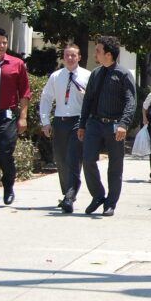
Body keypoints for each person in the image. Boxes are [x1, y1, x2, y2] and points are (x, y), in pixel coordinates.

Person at [78, 36, 136, 217]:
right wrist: (82, 125)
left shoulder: (123, 74)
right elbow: (87, 100)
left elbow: (131, 101)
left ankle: (110, 203)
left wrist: (123, 124)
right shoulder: (95, 73)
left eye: (98, 50)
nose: (96, 53)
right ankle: (98, 195)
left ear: (108, 55)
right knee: (87, 160)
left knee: (115, 166)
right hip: (94, 123)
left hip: (115, 126)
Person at [39, 44, 91, 212]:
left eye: (73, 55)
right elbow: (46, 98)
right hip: (60, 121)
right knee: (61, 159)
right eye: (67, 55)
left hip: (78, 121)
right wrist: (45, 121)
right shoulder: (56, 76)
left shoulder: (87, 76)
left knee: (73, 158)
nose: (70, 58)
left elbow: (92, 101)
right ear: (63, 57)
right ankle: (67, 192)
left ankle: (70, 196)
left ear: (79, 57)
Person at [0, 28, 31, 208]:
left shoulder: (16, 64)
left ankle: (8, 186)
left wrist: (23, 117)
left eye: (4, 43)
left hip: (6, 116)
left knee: (5, 154)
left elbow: (24, 92)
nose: (2, 46)